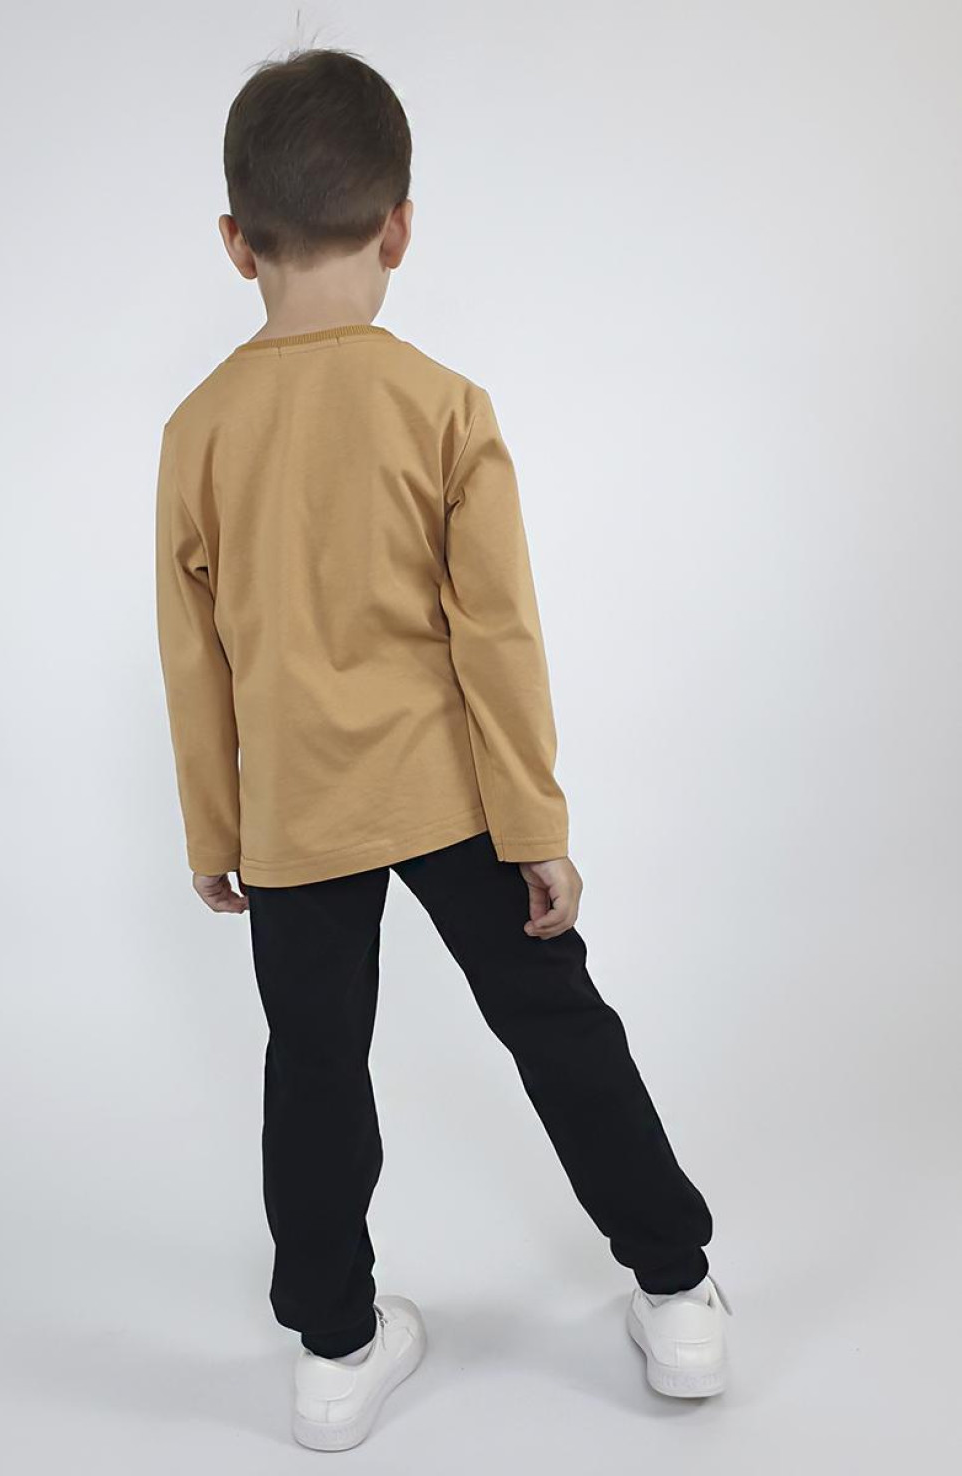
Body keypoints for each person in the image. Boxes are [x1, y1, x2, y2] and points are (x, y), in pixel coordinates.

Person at [155, 45, 731, 1453]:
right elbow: (499, 637)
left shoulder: (197, 431)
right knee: (560, 1028)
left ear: (236, 242)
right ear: (400, 226)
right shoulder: (445, 407)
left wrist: (216, 830)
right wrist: (537, 827)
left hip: (293, 817)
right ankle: (678, 1291)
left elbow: (194, 655)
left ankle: (334, 1352)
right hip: (456, 798)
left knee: (313, 1065)